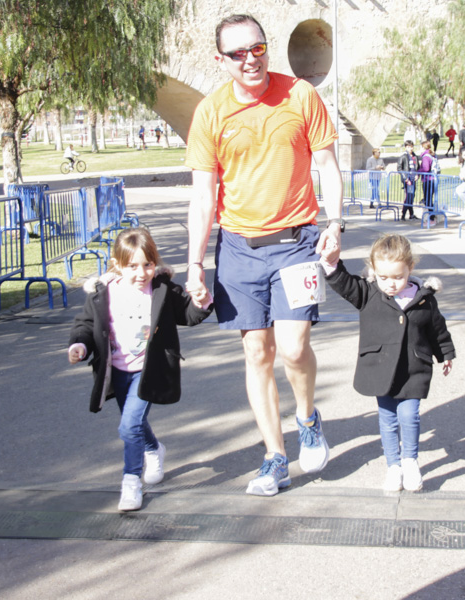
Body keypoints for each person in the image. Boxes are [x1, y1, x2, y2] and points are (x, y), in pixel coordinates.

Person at [184, 14, 344, 497]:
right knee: (257, 352)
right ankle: (275, 456)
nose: (251, 60)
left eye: (258, 49)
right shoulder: (211, 113)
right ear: (221, 60)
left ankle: (308, 417)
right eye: (238, 53)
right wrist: (195, 264)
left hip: (296, 243)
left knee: (294, 348)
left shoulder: (300, 95)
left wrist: (335, 224)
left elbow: (329, 168)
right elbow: (202, 195)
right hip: (238, 249)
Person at [67, 228, 213, 511]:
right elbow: (85, 325)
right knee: (133, 424)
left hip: (149, 370)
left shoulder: (162, 290)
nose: (141, 273)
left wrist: (201, 300)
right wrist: (79, 347)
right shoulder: (104, 293)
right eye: (132, 266)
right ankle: (153, 448)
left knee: (129, 425)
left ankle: (131, 482)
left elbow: (188, 315)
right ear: (117, 264)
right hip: (117, 372)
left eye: (147, 264)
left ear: (154, 262)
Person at [319, 234, 455, 492]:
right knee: (388, 418)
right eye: (383, 277)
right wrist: (330, 262)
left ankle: (410, 461)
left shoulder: (425, 297)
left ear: (410, 269)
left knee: (409, 415)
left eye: (397, 277)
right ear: (373, 271)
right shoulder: (367, 293)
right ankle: (393, 466)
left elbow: (437, 329)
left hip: (414, 369)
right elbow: (342, 282)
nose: (390, 284)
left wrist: (445, 353)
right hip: (381, 370)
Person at [418, 140, 439, 225]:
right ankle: (432, 216)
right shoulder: (432, 155)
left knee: (428, 199)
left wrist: (418, 171)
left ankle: (431, 218)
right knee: (429, 199)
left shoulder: (426, 157)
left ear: (423, 147)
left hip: (428, 179)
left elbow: (426, 168)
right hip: (433, 179)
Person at [397, 140, 420, 220]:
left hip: (414, 178)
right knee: (408, 197)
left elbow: (418, 167)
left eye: (412, 146)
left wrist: (418, 175)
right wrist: (405, 178)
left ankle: (411, 214)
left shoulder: (415, 156)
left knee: (412, 196)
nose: (411, 148)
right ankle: (403, 214)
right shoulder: (403, 156)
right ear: (406, 147)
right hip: (408, 179)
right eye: (409, 147)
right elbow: (399, 168)